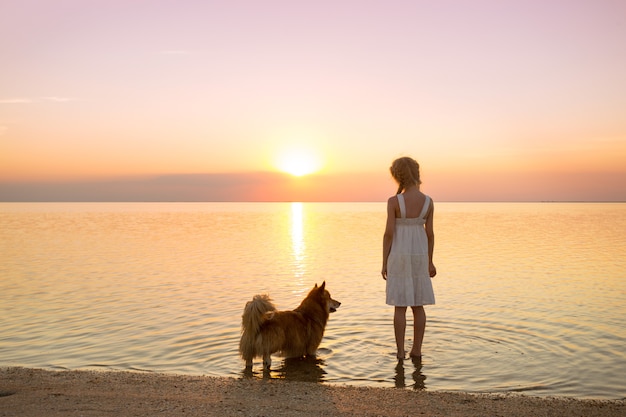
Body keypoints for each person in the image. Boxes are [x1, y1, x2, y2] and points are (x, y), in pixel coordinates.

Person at [381, 156, 436, 360]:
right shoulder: (428, 202)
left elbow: (388, 234)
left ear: (398, 176)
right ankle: (417, 350)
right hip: (419, 256)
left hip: (399, 255)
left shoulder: (394, 202)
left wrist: (384, 261)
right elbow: (430, 234)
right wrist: (430, 261)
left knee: (400, 307)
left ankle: (400, 352)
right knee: (418, 306)